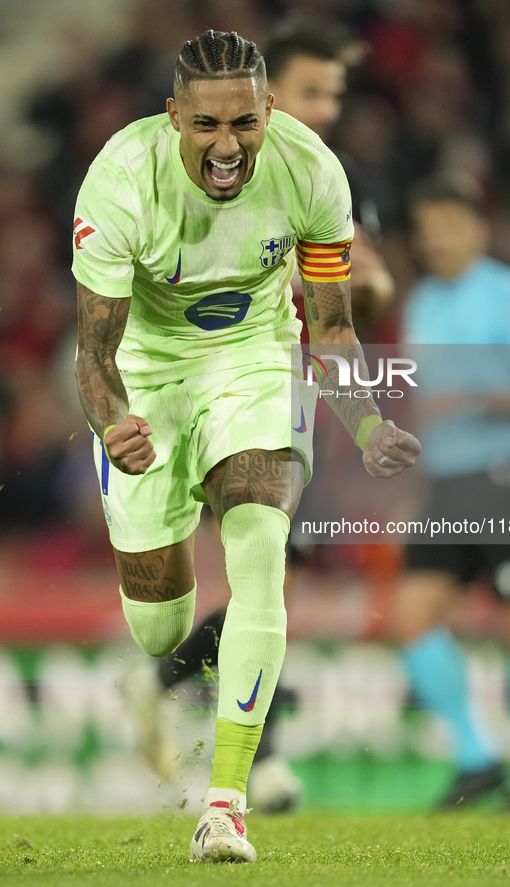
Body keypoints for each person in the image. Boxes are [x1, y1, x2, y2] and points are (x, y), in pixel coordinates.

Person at [73, 30, 420, 864]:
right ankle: (161, 669)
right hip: (148, 378)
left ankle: (225, 806)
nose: (226, 148)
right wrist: (113, 421)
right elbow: (94, 353)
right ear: (174, 118)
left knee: (262, 550)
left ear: (267, 111)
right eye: (205, 127)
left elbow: (331, 325)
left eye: (243, 125)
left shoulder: (313, 171)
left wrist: (367, 425)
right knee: (161, 631)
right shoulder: (120, 181)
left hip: (254, 362)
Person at [393, 175, 510, 809]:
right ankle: (476, 754)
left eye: (446, 225)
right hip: (446, 483)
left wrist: (480, 398)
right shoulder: (420, 305)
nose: (433, 238)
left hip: (506, 475)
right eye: (426, 228)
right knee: (410, 618)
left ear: (478, 231)